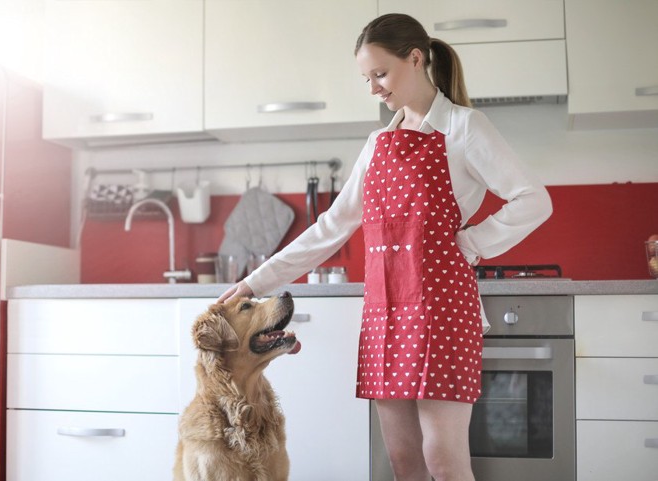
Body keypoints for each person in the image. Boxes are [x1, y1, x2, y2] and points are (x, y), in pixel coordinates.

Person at [218, 13, 552, 481]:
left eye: (380, 73)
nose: (373, 87)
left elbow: (534, 200)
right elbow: (331, 227)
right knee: (402, 460)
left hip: (441, 308)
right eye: (366, 78)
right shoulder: (377, 143)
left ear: (415, 59)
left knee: (444, 459)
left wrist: (471, 243)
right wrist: (252, 284)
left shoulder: (463, 128)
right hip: (384, 309)